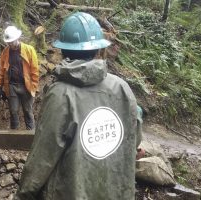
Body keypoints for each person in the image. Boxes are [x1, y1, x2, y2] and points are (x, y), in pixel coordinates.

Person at [15, 12, 142, 200]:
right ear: (98, 49)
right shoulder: (122, 87)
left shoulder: (60, 94)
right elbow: (135, 138)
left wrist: (23, 195)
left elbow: (43, 155)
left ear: (63, 51)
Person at [0, 25, 39, 130]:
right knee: (13, 111)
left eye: (12, 42)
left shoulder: (29, 50)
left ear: (17, 39)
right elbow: (2, 70)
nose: (10, 44)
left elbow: (35, 70)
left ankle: (31, 135)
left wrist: (33, 86)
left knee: (27, 111)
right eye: (8, 42)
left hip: (26, 85)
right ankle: (14, 135)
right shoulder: (5, 52)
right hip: (12, 86)